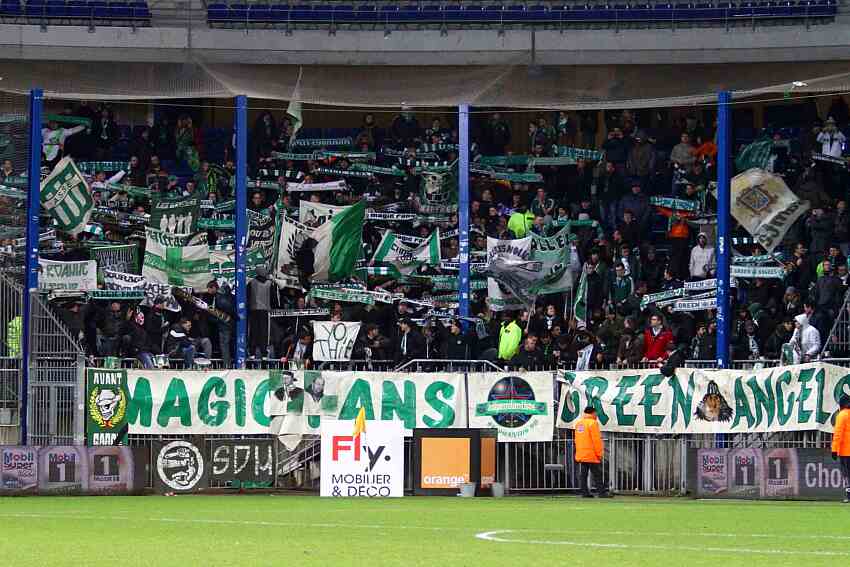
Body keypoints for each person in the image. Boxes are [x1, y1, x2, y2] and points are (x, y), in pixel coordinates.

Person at [574, 406, 611, 498]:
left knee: (583, 474)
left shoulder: (579, 423)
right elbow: (596, 440)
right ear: (593, 413)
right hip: (591, 453)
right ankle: (602, 493)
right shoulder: (593, 423)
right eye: (596, 413)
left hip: (581, 453)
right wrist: (599, 454)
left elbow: (577, 439)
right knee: (597, 474)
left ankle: (584, 492)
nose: (597, 415)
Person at [832, 395, 850, 503]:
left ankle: (849, 495)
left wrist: (834, 449)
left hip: (845, 451)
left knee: (847, 474)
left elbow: (838, 433)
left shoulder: (842, 415)